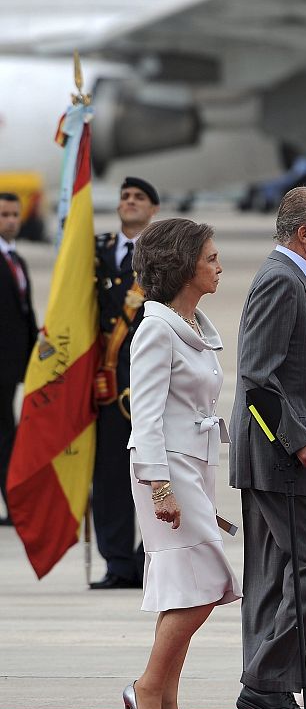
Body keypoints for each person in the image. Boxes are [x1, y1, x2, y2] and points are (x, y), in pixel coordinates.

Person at [229, 186, 306, 709]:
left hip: (285, 460)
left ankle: (270, 698)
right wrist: (297, 438)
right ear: (304, 233)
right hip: (282, 459)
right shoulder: (281, 280)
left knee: (275, 578)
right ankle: (265, 682)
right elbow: (258, 376)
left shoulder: (299, 280)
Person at [123, 218, 241, 709]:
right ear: (183, 264)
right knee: (207, 584)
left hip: (192, 467)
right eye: (211, 257)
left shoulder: (190, 326)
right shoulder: (154, 330)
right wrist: (162, 487)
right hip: (164, 470)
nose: (219, 266)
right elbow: (144, 418)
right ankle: (147, 688)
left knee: (184, 589)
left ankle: (168, 704)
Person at [90, 177, 160, 589]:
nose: (129, 202)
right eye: (125, 197)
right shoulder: (97, 251)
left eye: (139, 198)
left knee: (155, 469)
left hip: (149, 375)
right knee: (111, 474)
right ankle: (117, 563)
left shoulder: (164, 253)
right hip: (108, 378)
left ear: (153, 209)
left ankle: (148, 560)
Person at [0, 193, 38, 527]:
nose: (10, 221)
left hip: (13, 366)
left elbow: (23, 313)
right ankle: (12, 505)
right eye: (3, 215)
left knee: (8, 433)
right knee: (4, 435)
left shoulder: (16, 260)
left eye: (14, 214)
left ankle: (13, 504)